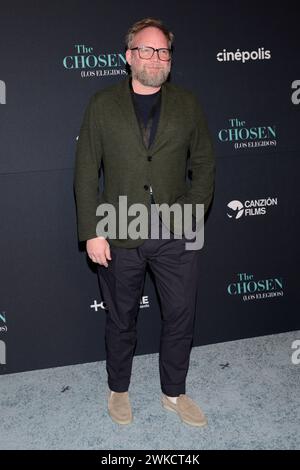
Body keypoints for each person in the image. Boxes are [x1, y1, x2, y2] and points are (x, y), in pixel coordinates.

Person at [74, 17, 215, 427]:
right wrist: (91, 231)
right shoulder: (102, 104)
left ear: (170, 58)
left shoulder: (188, 104)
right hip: (119, 229)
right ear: (129, 56)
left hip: (176, 231)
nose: (156, 57)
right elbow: (86, 170)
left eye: (164, 51)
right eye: (147, 50)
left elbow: (204, 162)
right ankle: (118, 389)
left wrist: (190, 213)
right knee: (121, 318)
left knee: (180, 315)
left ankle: (174, 393)